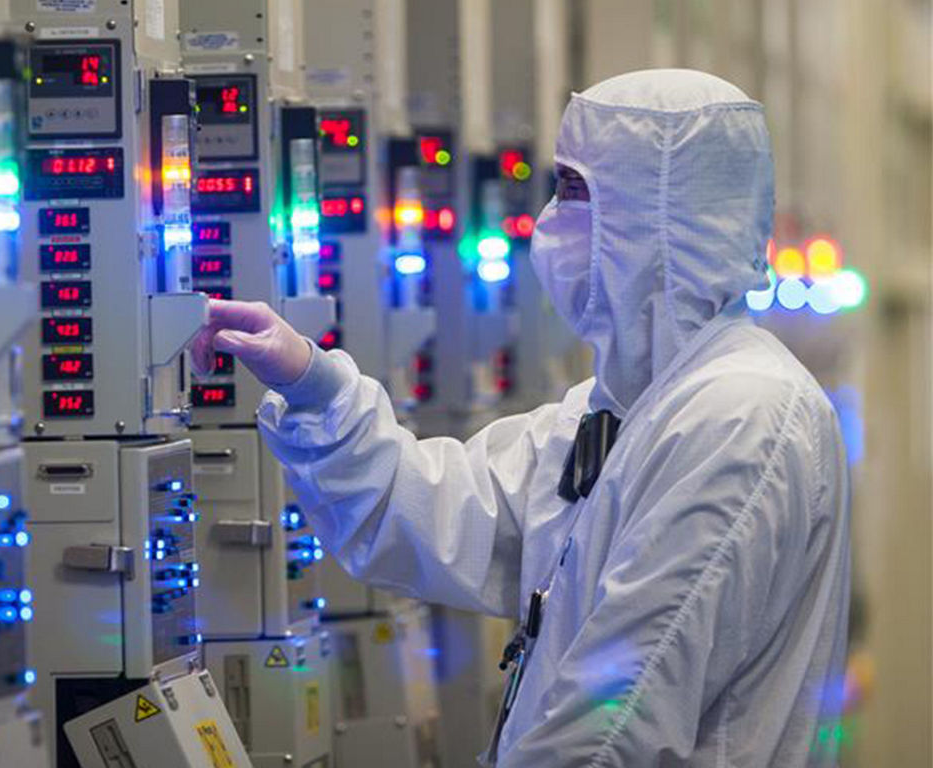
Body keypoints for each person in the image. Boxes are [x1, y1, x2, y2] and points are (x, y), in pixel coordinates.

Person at [190, 69, 851, 766]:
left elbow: (612, 723)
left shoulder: (738, 416)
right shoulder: (621, 409)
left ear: (655, 217)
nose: (548, 223)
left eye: (572, 191)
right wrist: (311, 382)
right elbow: (440, 512)